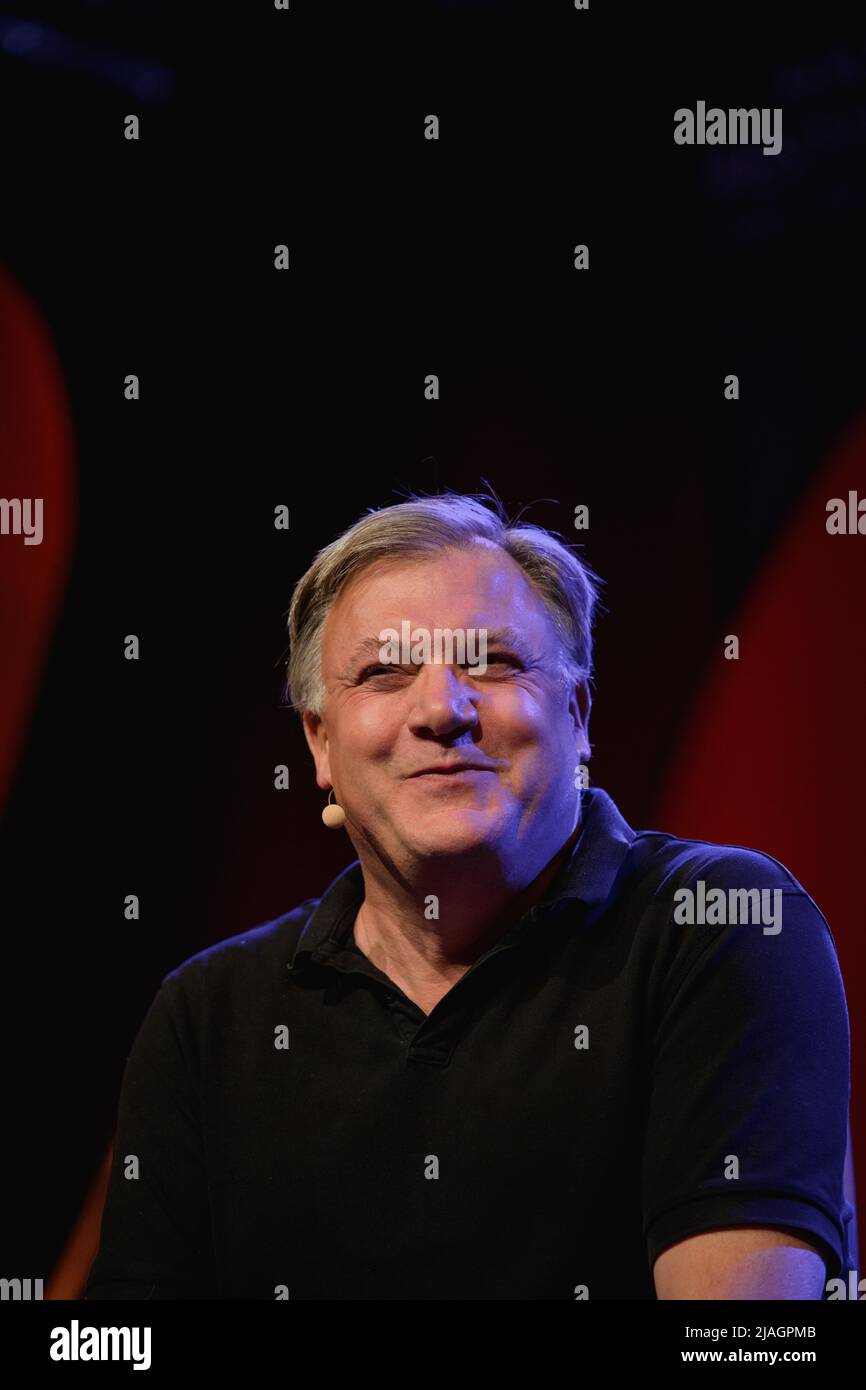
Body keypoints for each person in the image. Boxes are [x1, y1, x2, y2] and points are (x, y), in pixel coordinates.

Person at [85, 491, 852, 1300]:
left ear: (578, 713)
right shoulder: (208, 1013)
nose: (442, 710)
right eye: (385, 672)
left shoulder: (721, 926)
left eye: (490, 661)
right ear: (319, 743)